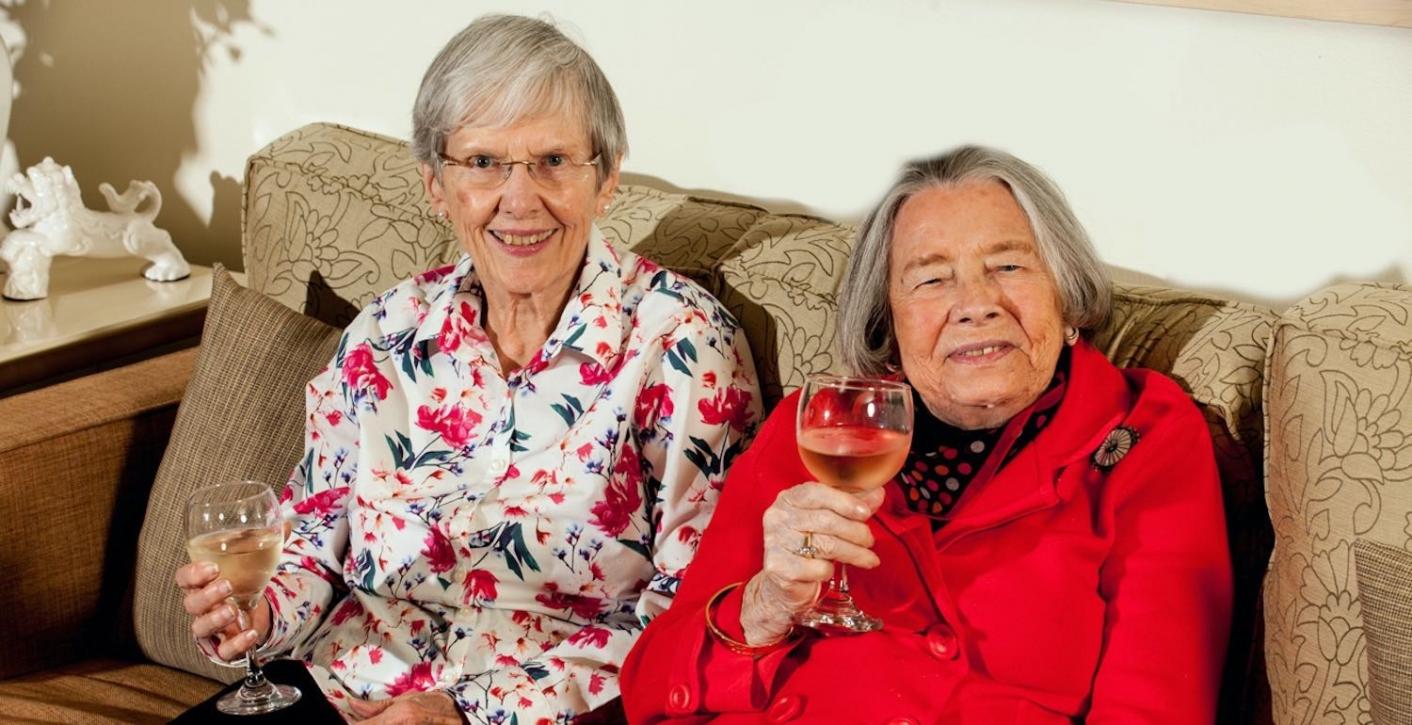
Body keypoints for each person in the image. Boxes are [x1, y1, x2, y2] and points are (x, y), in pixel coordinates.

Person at [175, 14, 760, 723]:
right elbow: (312, 538)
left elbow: (693, 609)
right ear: (436, 186)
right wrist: (259, 615)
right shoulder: (384, 332)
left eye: (552, 161)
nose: (519, 199)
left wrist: (458, 711)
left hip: (548, 710)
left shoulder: (682, 342)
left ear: (606, 179)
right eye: (483, 163)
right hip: (340, 686)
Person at [621, 146, 1233, 723]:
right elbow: (651, 687)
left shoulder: (1142, 437)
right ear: (888, 319)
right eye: (932, 279)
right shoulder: (820, 429)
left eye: (1009, 266)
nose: (976, 303)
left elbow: (1157, 708)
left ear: (1068, 299)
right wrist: (765, 605)